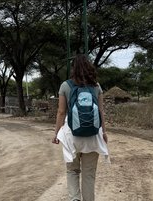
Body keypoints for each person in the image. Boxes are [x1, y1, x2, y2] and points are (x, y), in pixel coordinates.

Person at [52, 54, 109, 201]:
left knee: (72, 171)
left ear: (73, 68)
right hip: (93, 137)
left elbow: (61, 112)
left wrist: (56, 133)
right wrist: (104, 132)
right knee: (89, 175)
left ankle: (74, 199)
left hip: (72, 136)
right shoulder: (96, 86)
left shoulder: (65, 86)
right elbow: (101, 111)